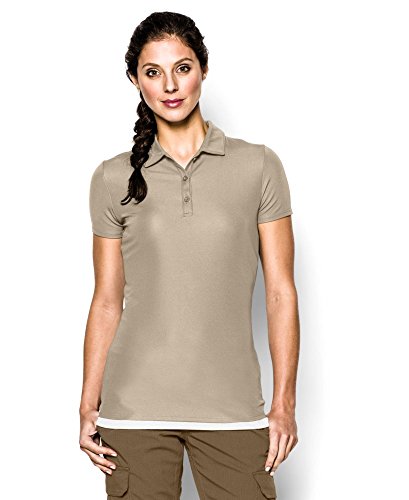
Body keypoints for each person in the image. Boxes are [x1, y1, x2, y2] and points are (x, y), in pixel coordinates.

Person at [79, 11, 300, 499]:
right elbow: (107, 301)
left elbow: (281, 293)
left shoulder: (258, 166)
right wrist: (87, 404)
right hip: (133, 411)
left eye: (182, 68)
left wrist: (284, 403)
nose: (169, 85)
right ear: (135, 80)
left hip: (233, 409)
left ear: (203, 69)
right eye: (152, 72)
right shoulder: (113, 178)